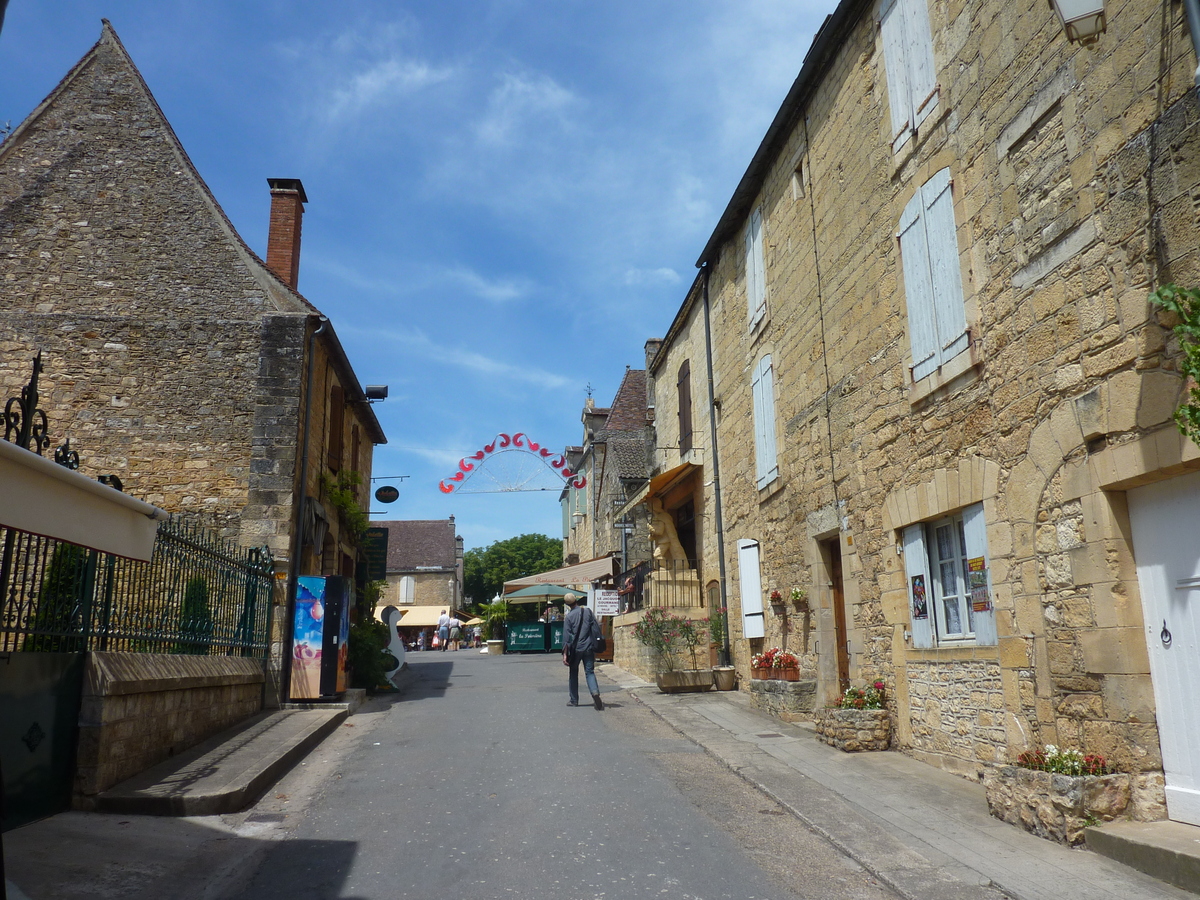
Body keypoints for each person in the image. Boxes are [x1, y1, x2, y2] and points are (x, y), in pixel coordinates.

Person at [561, 592, 604, 710]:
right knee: (589, 672)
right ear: (576, 600)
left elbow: (566, 637)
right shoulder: (588, 611)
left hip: (576, 649)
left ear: (567, 604)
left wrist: (565, 654)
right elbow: (595, 627)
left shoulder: (569, 617)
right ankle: (595, 692)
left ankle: (574, 700)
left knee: (573, 673)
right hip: (589, 646)